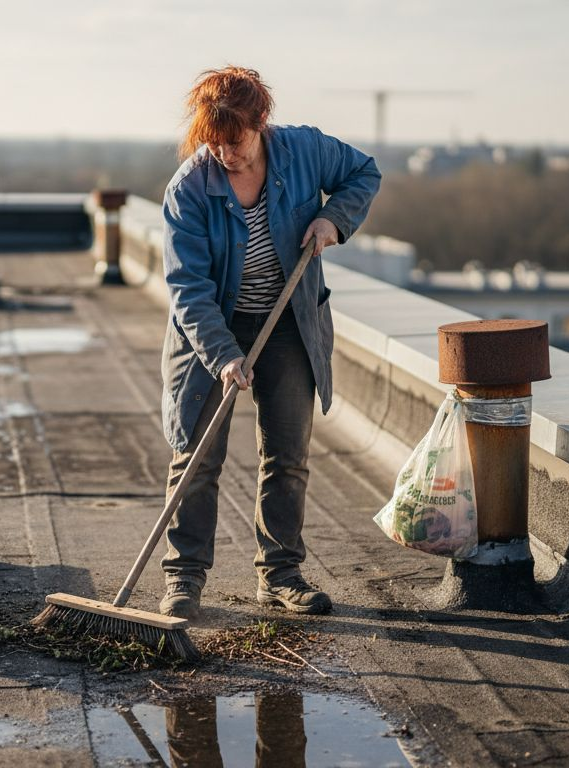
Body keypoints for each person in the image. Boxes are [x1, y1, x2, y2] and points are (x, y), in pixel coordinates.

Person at [158, 66, 381, 619]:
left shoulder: (304, 151)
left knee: (287, 455)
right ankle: (183, 578)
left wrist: (333, 218)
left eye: (233, 141)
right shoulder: (189, 189)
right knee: (196, 457)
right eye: (213, 142)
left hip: (288, 322)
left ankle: (280, 575)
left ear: (260, 122)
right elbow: (188, 289)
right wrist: (224, 355)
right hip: (211, 329)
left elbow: (364, 172)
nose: (224, 154)